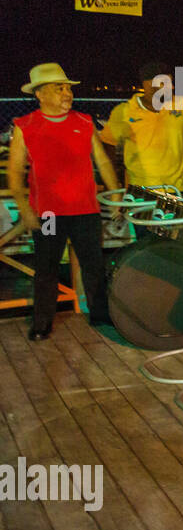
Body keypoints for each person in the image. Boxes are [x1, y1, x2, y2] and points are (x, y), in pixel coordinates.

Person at [8, 63, 118, 339]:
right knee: (46, 268)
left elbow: (103, 161)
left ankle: (100, 316)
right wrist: (24, 208)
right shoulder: (25, 126)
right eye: (59, 88)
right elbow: (14, 171)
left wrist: (115, 192)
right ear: (40, 94)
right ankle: (42, 323)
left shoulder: (84, 122)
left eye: (68, 88)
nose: (67, 93)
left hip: (86, 211)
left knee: (94, 266)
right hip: (48, 215)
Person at [103, 61, 183, 191]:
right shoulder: (125, 111)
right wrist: (111, 185)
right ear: (148, 85)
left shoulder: (181, 104)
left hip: (177, 189)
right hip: (140, 190)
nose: (171, 87)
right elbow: (108, 146)